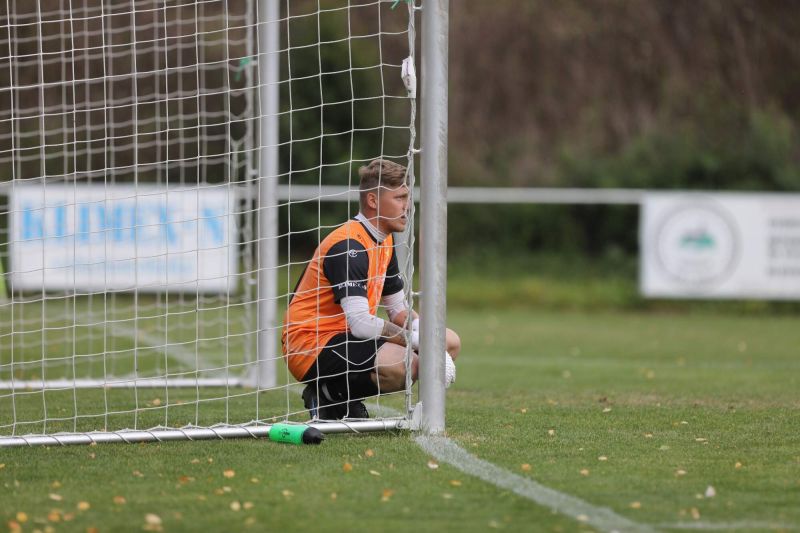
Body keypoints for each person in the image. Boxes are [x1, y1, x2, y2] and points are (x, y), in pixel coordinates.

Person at [282, 158, 461, 420]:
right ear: (373, 201)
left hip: (347, 338)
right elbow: (361, 324)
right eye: (399, 198)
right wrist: (416, 341)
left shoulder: (384, 241)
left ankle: (338, 397)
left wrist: (427, 334)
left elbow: (398, 310)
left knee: (449, 342)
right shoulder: (349, 246)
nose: (407, 207)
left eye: (407, 198)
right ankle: (329, 395)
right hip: (311, 342)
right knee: (405, 365)